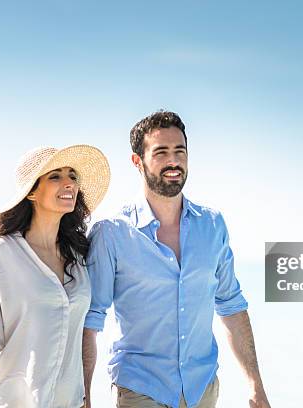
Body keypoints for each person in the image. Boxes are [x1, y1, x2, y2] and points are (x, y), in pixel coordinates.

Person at [82, 111, 270, 408]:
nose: (173, 161)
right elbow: (91, 320)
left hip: (202, 390)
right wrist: (85, 398)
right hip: (140, 389)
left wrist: (255, 384)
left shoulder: (212, 225)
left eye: (179, 151)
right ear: (137, 161)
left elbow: (232, 307)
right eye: (161, 152)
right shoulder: (112, 234)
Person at [0, 145, 110, 408]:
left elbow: (84, 331)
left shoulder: (78, 256)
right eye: (55, 176)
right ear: (31, 193)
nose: (68, 183)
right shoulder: (4, 251)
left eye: (72, 176)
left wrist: (85, 396)